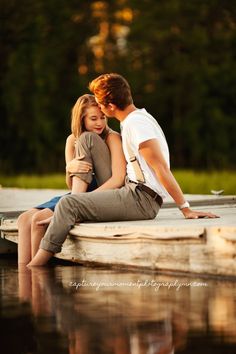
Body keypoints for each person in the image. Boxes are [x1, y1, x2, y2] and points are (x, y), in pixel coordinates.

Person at [28, 73, 218, 266]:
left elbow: (160, 167)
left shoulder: (137, 124)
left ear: (110, 106)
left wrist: (185, 208)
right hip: (133, 192)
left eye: (101, 105)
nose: (100, 109)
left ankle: (35, 267)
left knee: (68, 204)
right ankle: (37, 265)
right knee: (70, 201)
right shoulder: (133, 120)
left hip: (142, 199)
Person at [17, 93, 126, 265]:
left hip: (102, 193)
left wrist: (81, 201)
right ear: (81, 119)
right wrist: (70, 168)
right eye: (93, 118)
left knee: (38, 220)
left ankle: (37, 275)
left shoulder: (112, 137)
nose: (99, 123)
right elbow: (71, 183)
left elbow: (118, 179)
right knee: (24, 219)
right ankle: (25, 279)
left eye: (102, 118)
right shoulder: (71, 140)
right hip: (78, 193)